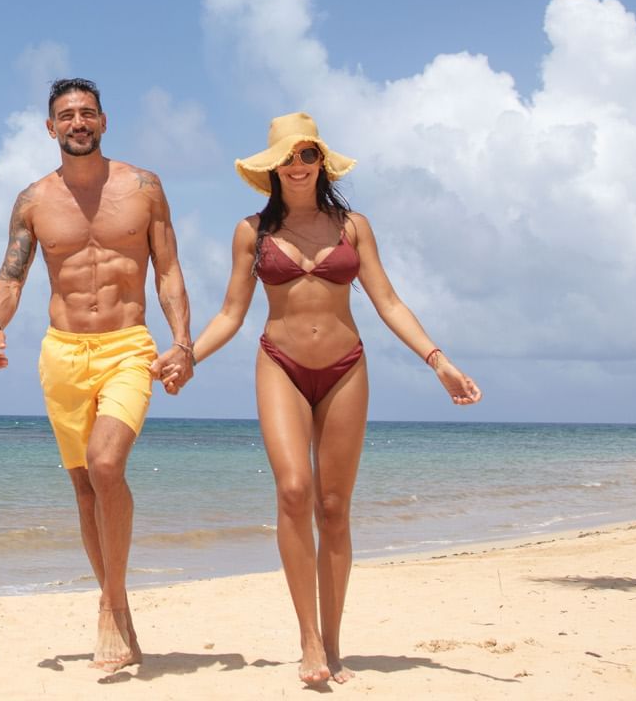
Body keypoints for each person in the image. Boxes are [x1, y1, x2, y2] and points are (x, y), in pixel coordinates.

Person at [166, 112, 480, 685]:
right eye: (287, 156)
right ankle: (308, 641)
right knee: (293, 491)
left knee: (333, 509)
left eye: (307, 154)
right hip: (280, 366)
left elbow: (388, 301)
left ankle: (333, 646)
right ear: (273, 168)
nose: (298, 165)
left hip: (345, 369)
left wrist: (440, 362)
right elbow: (232, 313)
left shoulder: (353, 227)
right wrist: (188, 354)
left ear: (321, 162)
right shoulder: (251, 231)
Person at [0, 78, 196, 672]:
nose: (77, 122)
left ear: (104, 122)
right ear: (50, 128)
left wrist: (182, 342)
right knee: (83, 487)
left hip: (128, 345)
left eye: (87, 113)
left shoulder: (144, 188)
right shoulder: (32, 201)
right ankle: (120, 615)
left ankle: (109, 604)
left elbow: (169, 272)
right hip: (63, 353)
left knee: (106, 466)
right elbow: (11, 274)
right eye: (66, 115)